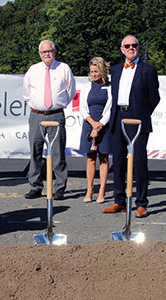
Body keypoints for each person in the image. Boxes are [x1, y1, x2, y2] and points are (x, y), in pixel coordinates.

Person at [102, 35, 160, 218]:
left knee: (139, 161)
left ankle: (142, 203)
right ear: (122, 49)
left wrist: (142, 113)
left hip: (138, 119)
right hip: (119, 117)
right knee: (118, 160)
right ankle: (119, 200)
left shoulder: (148, 70)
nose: (131, 48)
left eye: (134, 45)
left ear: (138, 47)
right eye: (127, 46)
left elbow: (154, 98)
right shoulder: (117, 69)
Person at [23, 39, 76, 200]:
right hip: (36, 115)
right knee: (35, 152)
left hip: (56, 115)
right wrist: (37, 105)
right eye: (44, 52)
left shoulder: (64, 68)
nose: (47, 54)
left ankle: (59, 188)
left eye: (50, 51)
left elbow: (71, 90)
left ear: (55, 52)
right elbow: (26, 92)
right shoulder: (33, 69)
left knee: (58, 152)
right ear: (39, 54)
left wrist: (58, 104)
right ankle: (35, 186)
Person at [79, 57, 112, 203]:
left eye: (96, 71)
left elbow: (110, 109)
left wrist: (100, 125)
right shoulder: (87, 86)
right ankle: (89, 190)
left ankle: (102, 191)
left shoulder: (111, 87)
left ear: (102, 70)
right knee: (91, 158)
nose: (94, 74)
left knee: (103, 158)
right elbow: (82, 108)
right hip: (89, 124)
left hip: (104, 126)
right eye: (92, 71)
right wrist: (92, 124)